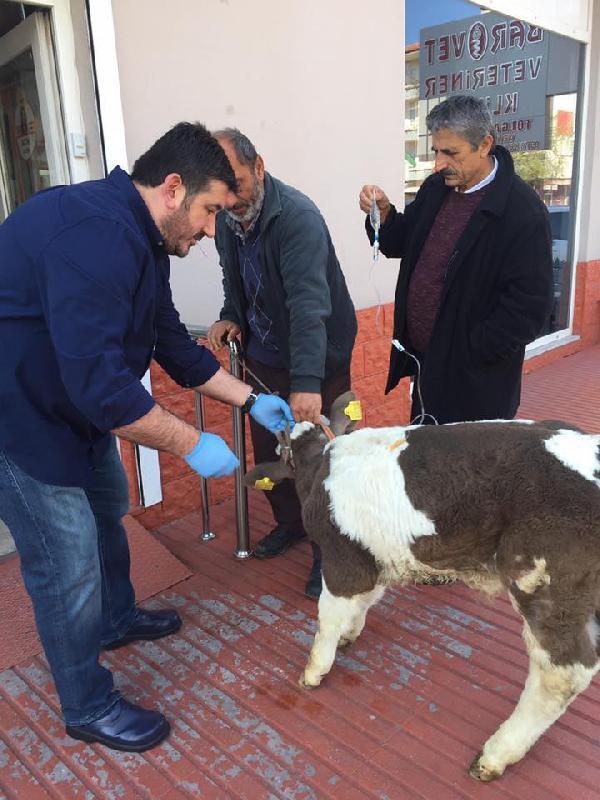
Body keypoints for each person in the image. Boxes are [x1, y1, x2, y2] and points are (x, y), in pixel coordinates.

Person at [0, 122, 294, 753]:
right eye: (211, 210)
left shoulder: (143, 241)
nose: (213, 229)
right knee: (66, 561)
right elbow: (107, 393)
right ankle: (86, 703)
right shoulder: (92, 239)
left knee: (109, 508)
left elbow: (170, 344)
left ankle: (115, 617)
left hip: (72, 406)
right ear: (171, 188)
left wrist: (251, 401)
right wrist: (193, 444)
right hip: (19, 416)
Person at [207, 128, 357, 600]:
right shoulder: (229, 220)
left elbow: (309, 307)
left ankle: (329, 553)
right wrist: (231, 314)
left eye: (237, 184)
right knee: (272, 454)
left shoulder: (297, 218)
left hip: (317, 358)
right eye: (220, 190)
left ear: (259, 166)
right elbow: (235, 281)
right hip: (264, 360)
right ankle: (292, 526)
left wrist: (308, 383)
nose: (231, 199)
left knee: (321, 463)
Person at [359, 94, 553, 425]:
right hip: (426, 369)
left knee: (470, 474)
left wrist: (467, 351)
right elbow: (401, 241)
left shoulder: (522, 213)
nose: (438, 164)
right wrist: (385, 215)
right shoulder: (437, 188)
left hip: (476, 385)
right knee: (425, 462)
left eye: (451, 153)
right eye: (436, 151)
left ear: (484, 145)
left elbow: (529, 311)